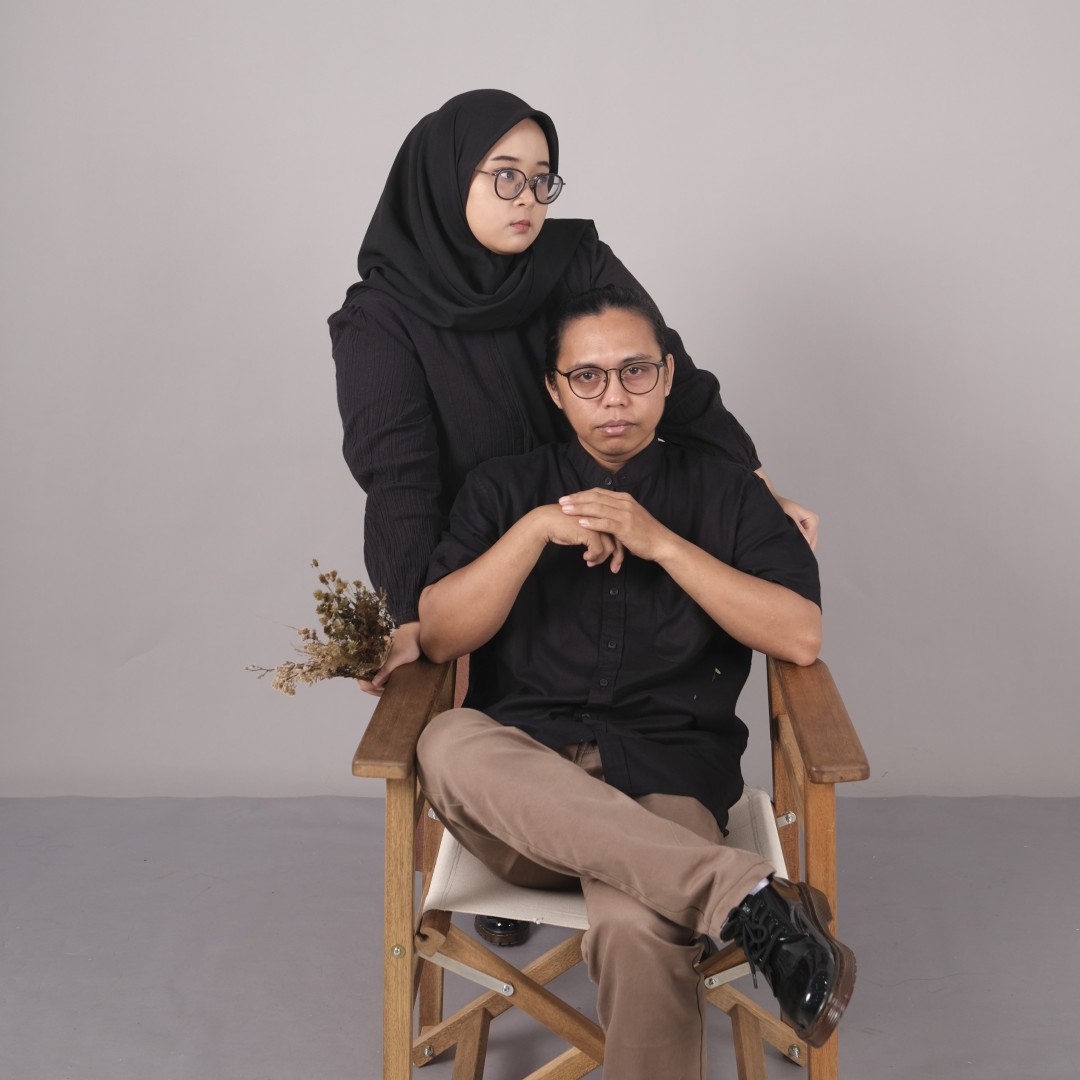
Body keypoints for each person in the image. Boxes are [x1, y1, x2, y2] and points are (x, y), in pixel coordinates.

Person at [330, 88, 818, 946]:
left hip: (617, 522)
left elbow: (672, 374)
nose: (527, 199)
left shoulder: (575, 257)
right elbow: (399, 481)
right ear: (445, 179)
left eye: (541, 179)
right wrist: (414, 615)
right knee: (471, 723)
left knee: (620, 873)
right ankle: (725, 892)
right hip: (493, 540)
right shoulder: (381, 316)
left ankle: (556, 836)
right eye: (504, 176)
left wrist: (758, 488)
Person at [414, 286, 855, 1079]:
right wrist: (533, 532)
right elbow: (442, 635)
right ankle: (743, 898)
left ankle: (732, 900)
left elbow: (800, 633)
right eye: (587, 377)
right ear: (555, 390)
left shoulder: (727, 492)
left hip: (668, 781)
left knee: (637, 925)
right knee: (447, 739)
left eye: (635, 372)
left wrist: (663, 545)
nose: (614, 397)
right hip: (521, 801)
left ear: (668, 375)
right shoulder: (503, 489)